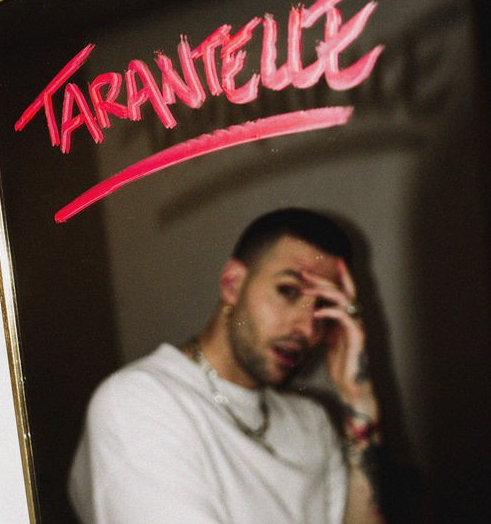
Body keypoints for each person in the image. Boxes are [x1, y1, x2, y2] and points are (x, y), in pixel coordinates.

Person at [68, 208, 386, 523]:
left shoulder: (312, 421)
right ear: (232, 284)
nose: (306, 328)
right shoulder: (138, 402)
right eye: (288, 291)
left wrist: (360, 402)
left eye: (323, 306)